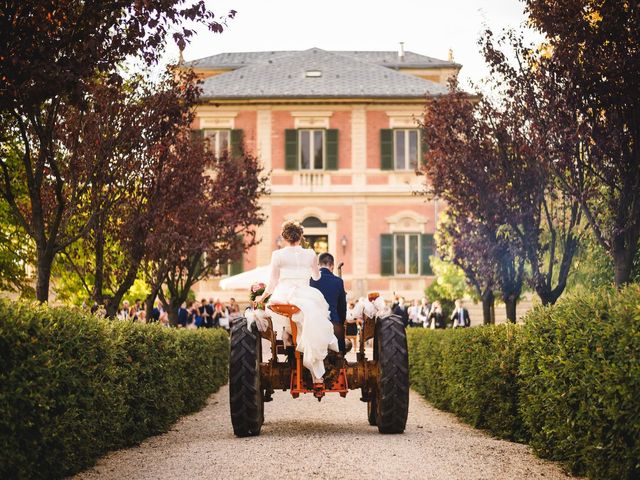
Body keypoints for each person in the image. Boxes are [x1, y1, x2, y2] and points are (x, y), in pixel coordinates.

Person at [256, 220, 339, 388]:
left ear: (284, 237)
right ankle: (317, 377)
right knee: (310, 317)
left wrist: (262, 297)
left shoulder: (277, 255)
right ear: (301, 236)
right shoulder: (310, 254)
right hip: (305, 294)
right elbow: (316, 277)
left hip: (284, 296)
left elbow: (272, 283)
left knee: (287, 321)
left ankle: (289, 347)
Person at [310, 252, 348, 354]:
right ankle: (340, 357)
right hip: (333, 325)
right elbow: (342, 307)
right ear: (332, 266)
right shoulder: (338, 281)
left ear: (318, 265)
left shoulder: (310, 280)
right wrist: (341, 321)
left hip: (312, 325)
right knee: (340, 339)